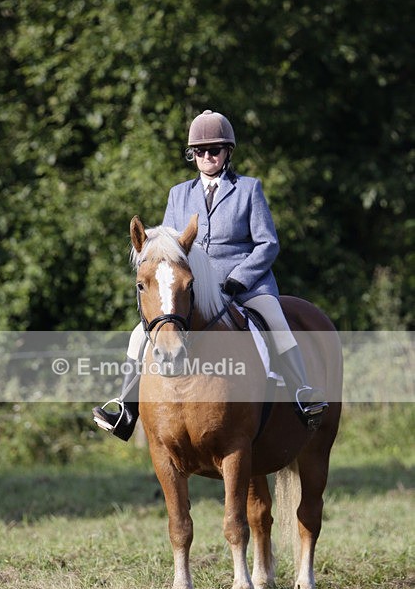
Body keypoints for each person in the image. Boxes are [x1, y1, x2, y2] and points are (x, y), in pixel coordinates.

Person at [93, 109, 328, 440]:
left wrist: (239, 278)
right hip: (193, 288)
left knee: (277, 322)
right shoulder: (179, 194)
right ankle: (126, 409)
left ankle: (302, 394)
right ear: (192, 155)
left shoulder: (248, 189)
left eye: (214, 150)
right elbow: (167, 248)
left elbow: (267, 243)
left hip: (245, 284)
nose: (207, 157)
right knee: (138, 334)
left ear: (227, 152)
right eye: (200, 151)